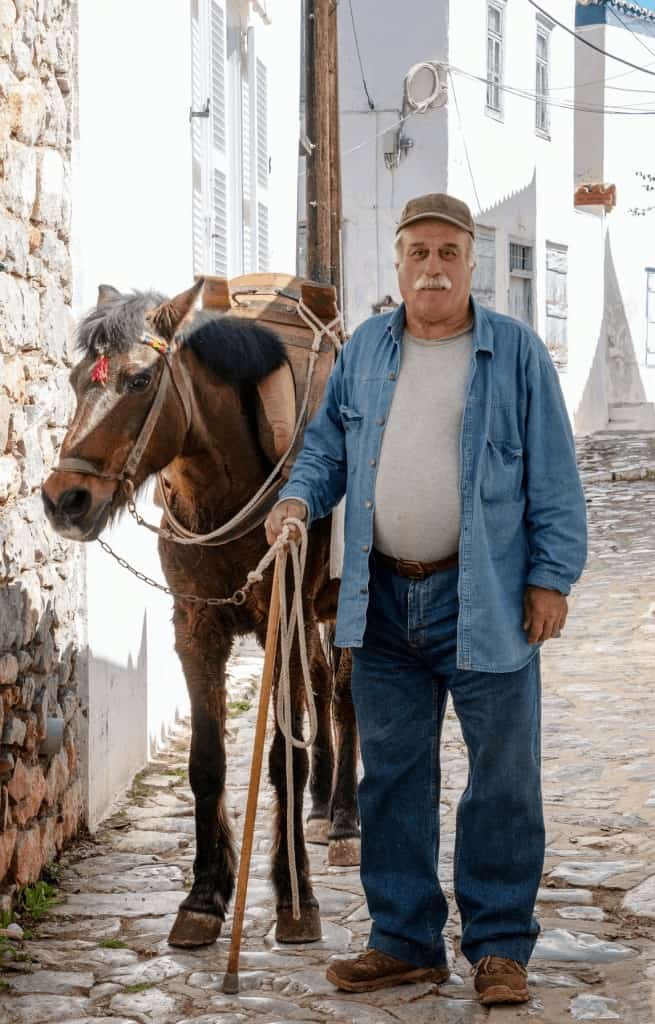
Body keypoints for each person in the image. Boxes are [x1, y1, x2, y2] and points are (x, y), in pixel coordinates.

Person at [265, 193, 587, 1007]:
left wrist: (551, 576)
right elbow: (326, 449)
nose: (433, 267)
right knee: (391, 778)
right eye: (418, 253)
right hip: (380, 600)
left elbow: (552, 473)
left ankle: (499, 947)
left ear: (469, 262)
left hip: (484, 597)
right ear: (399, 262)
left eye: (448, 252)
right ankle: (405, 940)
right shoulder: (366, 347)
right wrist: (297, 502)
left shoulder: (513, 352)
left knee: (502, 779)